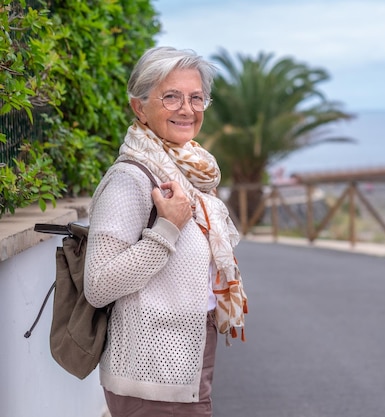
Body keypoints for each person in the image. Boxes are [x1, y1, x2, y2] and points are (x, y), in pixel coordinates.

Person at [84, 46, 246, 417]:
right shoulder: (131, 179)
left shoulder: (189, 172)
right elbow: (98, 285)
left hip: (183, 358)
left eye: (196, 97)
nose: (186, 109)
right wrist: (168, 228)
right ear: (139, 107)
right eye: (170, 96)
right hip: (151, 374)